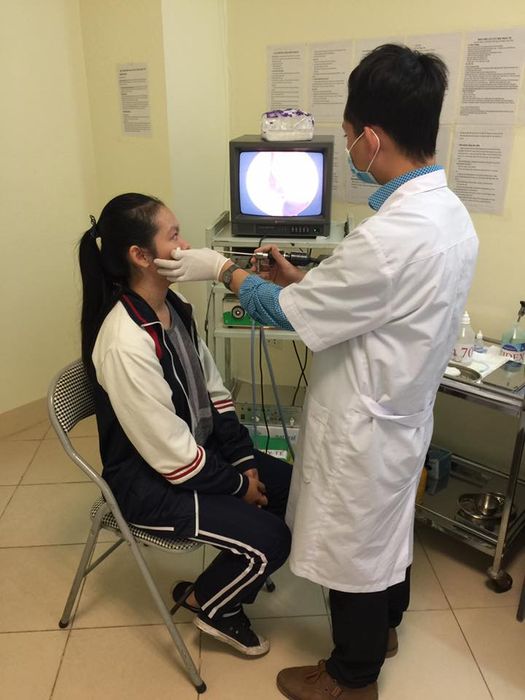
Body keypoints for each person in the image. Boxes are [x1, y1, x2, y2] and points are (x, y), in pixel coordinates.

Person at [156, 44, 479, 699]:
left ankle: (351, 677)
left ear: (370, 139)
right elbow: (373, 301)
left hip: (364, 426)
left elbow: (294, 314)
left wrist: (221, 268)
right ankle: (384, 630)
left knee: (353, 548)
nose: (349, 147)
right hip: (400, 415)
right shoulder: (448, 216)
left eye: (347, 135)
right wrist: (301, 279)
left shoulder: (387, 239)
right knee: (385, 533)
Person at [78, 192, 292, 657]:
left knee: (293, 491)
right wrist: (240, 486)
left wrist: (243, 461)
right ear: (141, 256)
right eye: (174, 236)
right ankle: (216, 608)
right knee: (274, 539)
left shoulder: (172, 306)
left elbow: (214, 391)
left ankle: (213, 585)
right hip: (147, 485)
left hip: (194, 454)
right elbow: (172, 458)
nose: (186, 245)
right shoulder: (124, 342)